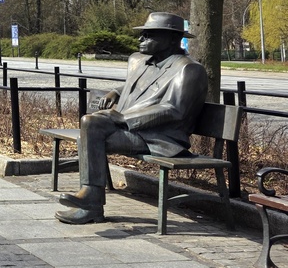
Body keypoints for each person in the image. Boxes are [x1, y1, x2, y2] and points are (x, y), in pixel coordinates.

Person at [55, 12, 207, 225]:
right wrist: (116, 92)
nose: (141, 39)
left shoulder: (188, 69)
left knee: (90, 131)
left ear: (173, 39)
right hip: (136, 130)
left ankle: (91, 202)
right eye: (142, 34)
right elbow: (139, 86)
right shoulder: (141, 61)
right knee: (90, 127)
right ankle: (90, 199)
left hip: (160, 139)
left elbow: (174, 109)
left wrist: (124, 117)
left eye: (149, 35)